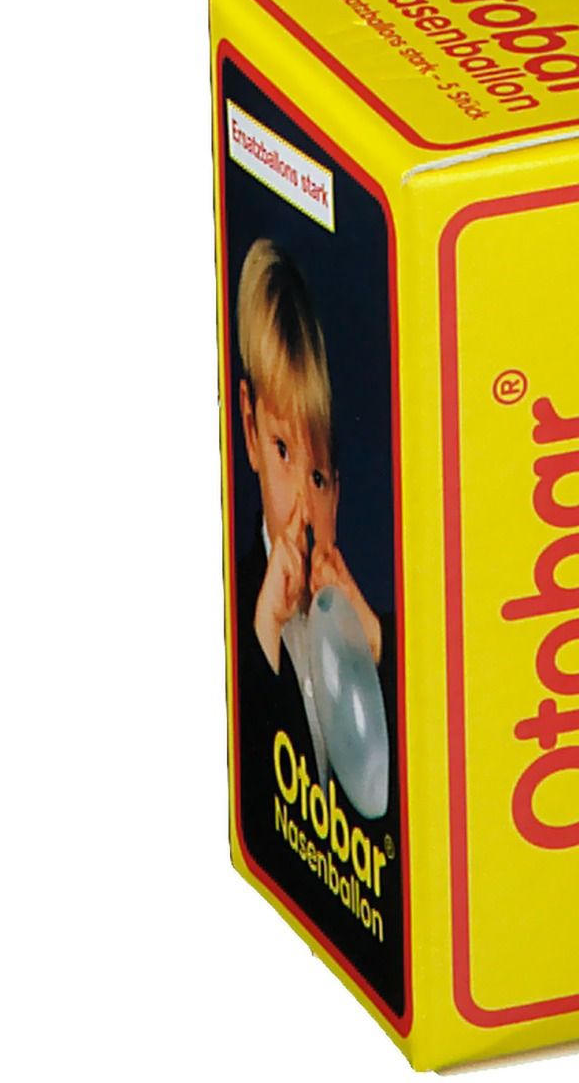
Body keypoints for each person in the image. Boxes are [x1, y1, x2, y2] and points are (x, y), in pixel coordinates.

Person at [232, 238, 382, 866]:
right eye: (282, 451)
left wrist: (374, 649)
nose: (300, 502)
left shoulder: (360, 629)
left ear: (337, 496)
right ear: (249, 432)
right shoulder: (244, 614)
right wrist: (267, 629)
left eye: (318, 477)